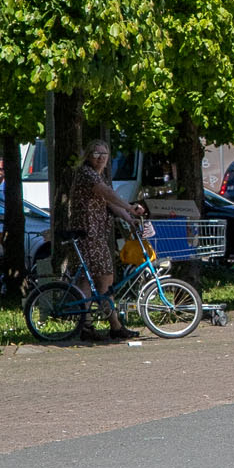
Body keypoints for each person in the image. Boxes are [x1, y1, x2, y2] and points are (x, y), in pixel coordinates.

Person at [69, 138, 145, 343]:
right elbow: (108, 194)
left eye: (104, 154)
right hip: (88, 234)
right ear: (88, 156)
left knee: (92, 280)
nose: (101, 158)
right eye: (96, 154)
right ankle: (110, 327)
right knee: (104, 279)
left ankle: (93, 326)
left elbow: (110, 203)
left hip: (94, 234)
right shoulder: (87, 174)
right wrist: (130, 207)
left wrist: (129, 218)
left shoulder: (99, 176)